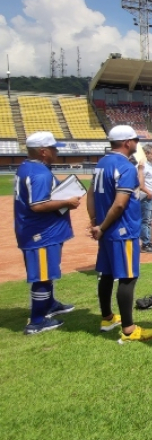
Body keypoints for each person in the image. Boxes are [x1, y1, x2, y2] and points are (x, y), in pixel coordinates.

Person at [88, 125, 152, 343]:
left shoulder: (101, 164)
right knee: (128, 277)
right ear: (128, 142)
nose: (137, 144)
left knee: (107, 274)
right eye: (135, 140)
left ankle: (108, 318)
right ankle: (129, 330)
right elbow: (120, 205)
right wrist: (101, 226)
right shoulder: (126, 167)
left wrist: (96, 224)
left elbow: (90, 195)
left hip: (106, 230)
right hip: (122, 229)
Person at [14, 132, 80, 335]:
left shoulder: (28, 167)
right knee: (42, 276)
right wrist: (67, 202)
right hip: (40, 233)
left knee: (47, 272)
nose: (57, 151)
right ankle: (36, 321)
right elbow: (37, 205)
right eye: (53, 148)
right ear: (43, 152)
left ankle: (49, 304)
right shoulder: (40, 173)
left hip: (41, 231)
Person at [138, 144, 152, 253]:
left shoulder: (150, 166)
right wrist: (148, 192)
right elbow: (139, 182)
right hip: (146, 197)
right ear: (146, 154)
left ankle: (148, 241)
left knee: (149, 221)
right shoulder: (141, 167)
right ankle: (145, 244)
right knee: (145, 220)